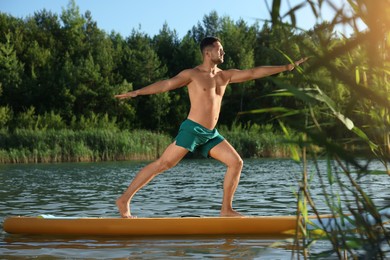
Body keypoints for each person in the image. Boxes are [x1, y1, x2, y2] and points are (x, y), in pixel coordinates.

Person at [115, 36, 306, 218]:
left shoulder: (225, 76)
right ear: (208, 52)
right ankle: (124, 200)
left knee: (236, 162)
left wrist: (287, 67)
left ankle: (226, 209)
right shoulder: (192, 74)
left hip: (210, 134)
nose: (223, 52)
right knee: (163, 164)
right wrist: (137, 92)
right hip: (192, 129)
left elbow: (254, 72)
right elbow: (166, 85)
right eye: (220, 49)